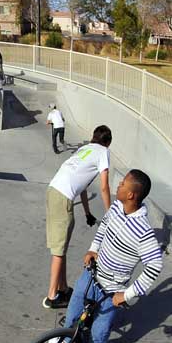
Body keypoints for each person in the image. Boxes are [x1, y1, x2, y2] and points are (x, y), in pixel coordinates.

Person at [60, 169, 162, 343]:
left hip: (112, 291)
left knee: (100, 331)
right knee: (74, 308)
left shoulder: (143, 232)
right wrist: (93, 248)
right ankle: (66, 337)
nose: (118, 186)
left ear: (132, 195)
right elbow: (104, 225)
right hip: (92, 275)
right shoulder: (116, 206)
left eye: (123, 184)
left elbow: (155, 265)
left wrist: (126, 295)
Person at [43, 125, 113, 309]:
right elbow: (105, 186)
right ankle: (52, 296)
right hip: (63, 196)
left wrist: (88, 213)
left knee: (62, 245)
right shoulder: (103, 152)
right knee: (58, 250)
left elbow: (83, 186)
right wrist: (111, 214)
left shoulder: (85, 149)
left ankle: (63, 288)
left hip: (52, 191)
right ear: (108, 142)